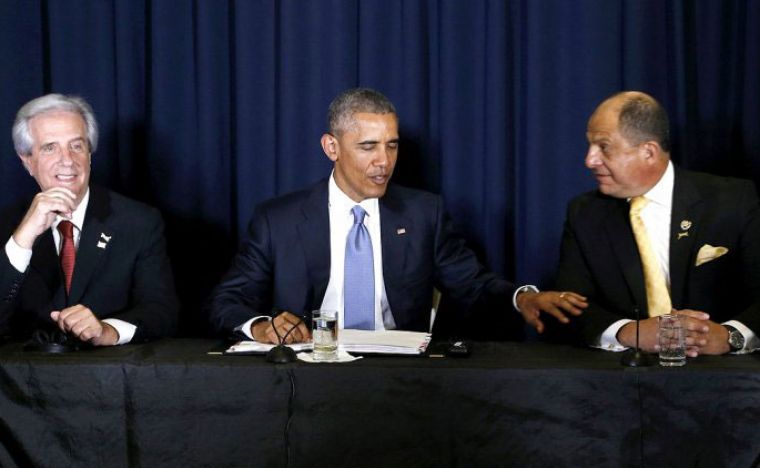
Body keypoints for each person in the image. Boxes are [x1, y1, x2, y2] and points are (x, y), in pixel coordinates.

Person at [209, 87, 586, 343]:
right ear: (331, 147)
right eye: (368, 147)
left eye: (392, 146)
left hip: (402, 378)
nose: (383, 162)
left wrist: (523, 298)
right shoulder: (279, 219)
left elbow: (473, 286)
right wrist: (262, 328)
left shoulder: (424, 214)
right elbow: (227, 302)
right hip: (307, 375)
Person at [555, 91, 760, 355]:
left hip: (728, 380)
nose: (589, 160)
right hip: (622, 380)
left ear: (649, 152)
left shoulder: (733, 200)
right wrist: (631, 332)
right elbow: (570, 306)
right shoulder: (584, 213)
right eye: (590, 146)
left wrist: (731, 336)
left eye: (603, 147)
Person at [0, 94, 178, 346]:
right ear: (27, 160)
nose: (67, 160)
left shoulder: (139, 221)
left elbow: (163, 311)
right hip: (22, 380)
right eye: (50, 147)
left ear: (90, 154)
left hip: (110, 378)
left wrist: (108, 331)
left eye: (76, 145)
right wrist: (23, 239)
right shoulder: (6, 226)